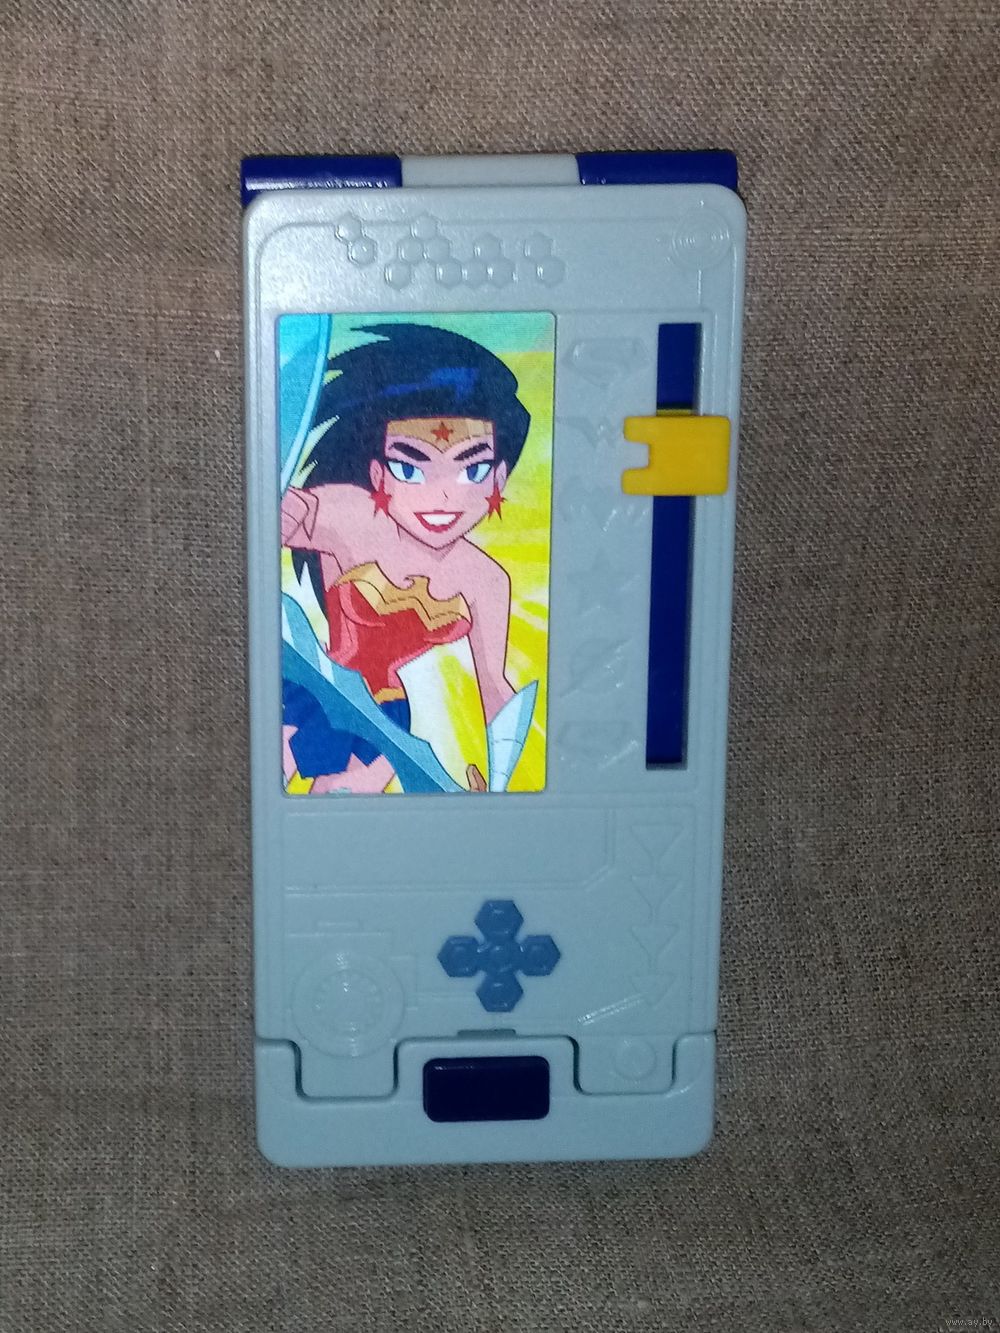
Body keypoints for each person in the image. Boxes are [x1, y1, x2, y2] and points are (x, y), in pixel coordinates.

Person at [281, 322, 531, 793]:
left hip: (382, 717)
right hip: (308, 684)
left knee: (340, 823)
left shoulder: (485, 582)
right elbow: (279, 518)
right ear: (379, 474)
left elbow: (495, 687)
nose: (442, 496)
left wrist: (500, 783)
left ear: (499, 479)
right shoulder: (351, 515)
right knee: (247, 791)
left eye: (472, 469)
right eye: (410, 467)